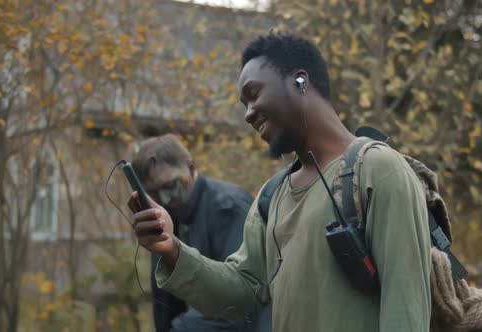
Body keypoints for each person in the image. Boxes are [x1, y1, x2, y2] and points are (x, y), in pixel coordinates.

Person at [129, 33, 431, 332]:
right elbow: (241, 290)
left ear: (300, 82)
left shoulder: (378, 170)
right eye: (243, 104)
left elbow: (405, 309)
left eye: (254, 93)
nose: (248, 114)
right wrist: (171, 249)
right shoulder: (272, 196)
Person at [130, 134, 271, 332]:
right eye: (153, 193)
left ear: (190, 166)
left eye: (171, 185)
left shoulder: (228, 208)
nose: (165, 198)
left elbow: (241, 305)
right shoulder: (167, 215)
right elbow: (166, 307)